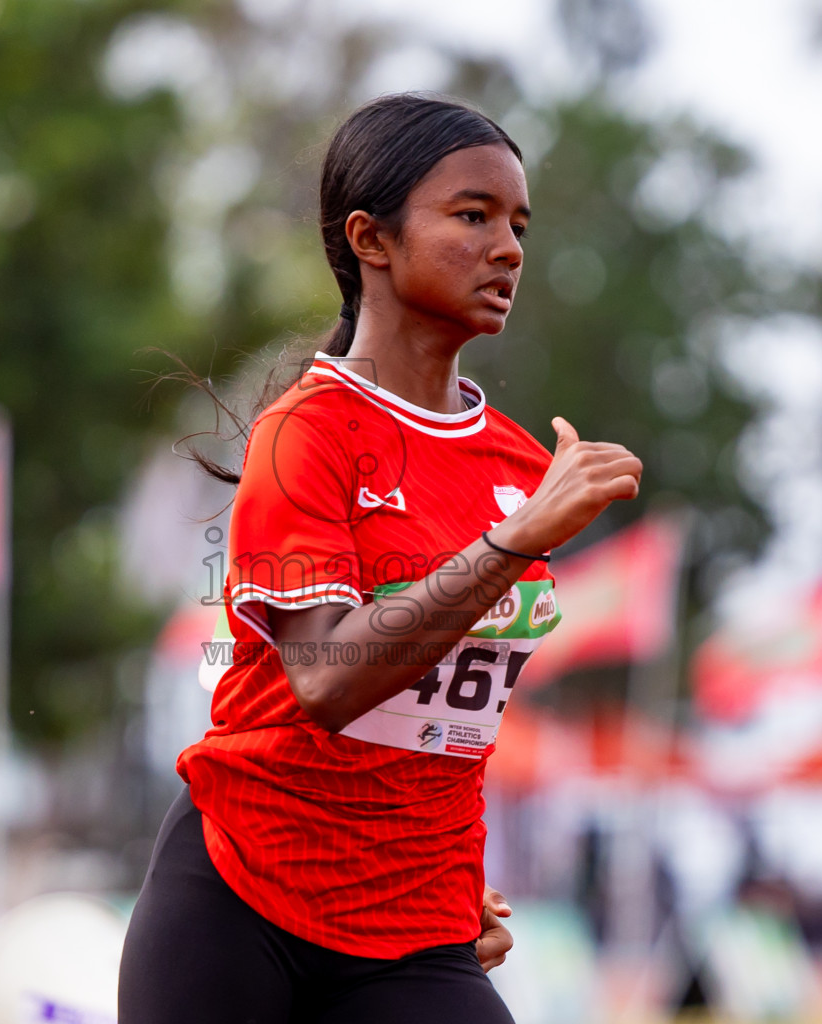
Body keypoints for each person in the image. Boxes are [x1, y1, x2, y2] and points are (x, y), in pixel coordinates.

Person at [119, 93, 643, 1024]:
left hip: (414, 928)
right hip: (242, 903)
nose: (510, 248)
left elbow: (456, 725)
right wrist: (511, 541)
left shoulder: (524, 464)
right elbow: (326, 676)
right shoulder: (304, 436)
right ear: (372, 239)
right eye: (472, 215)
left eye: (519, 224)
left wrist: (455, 878)